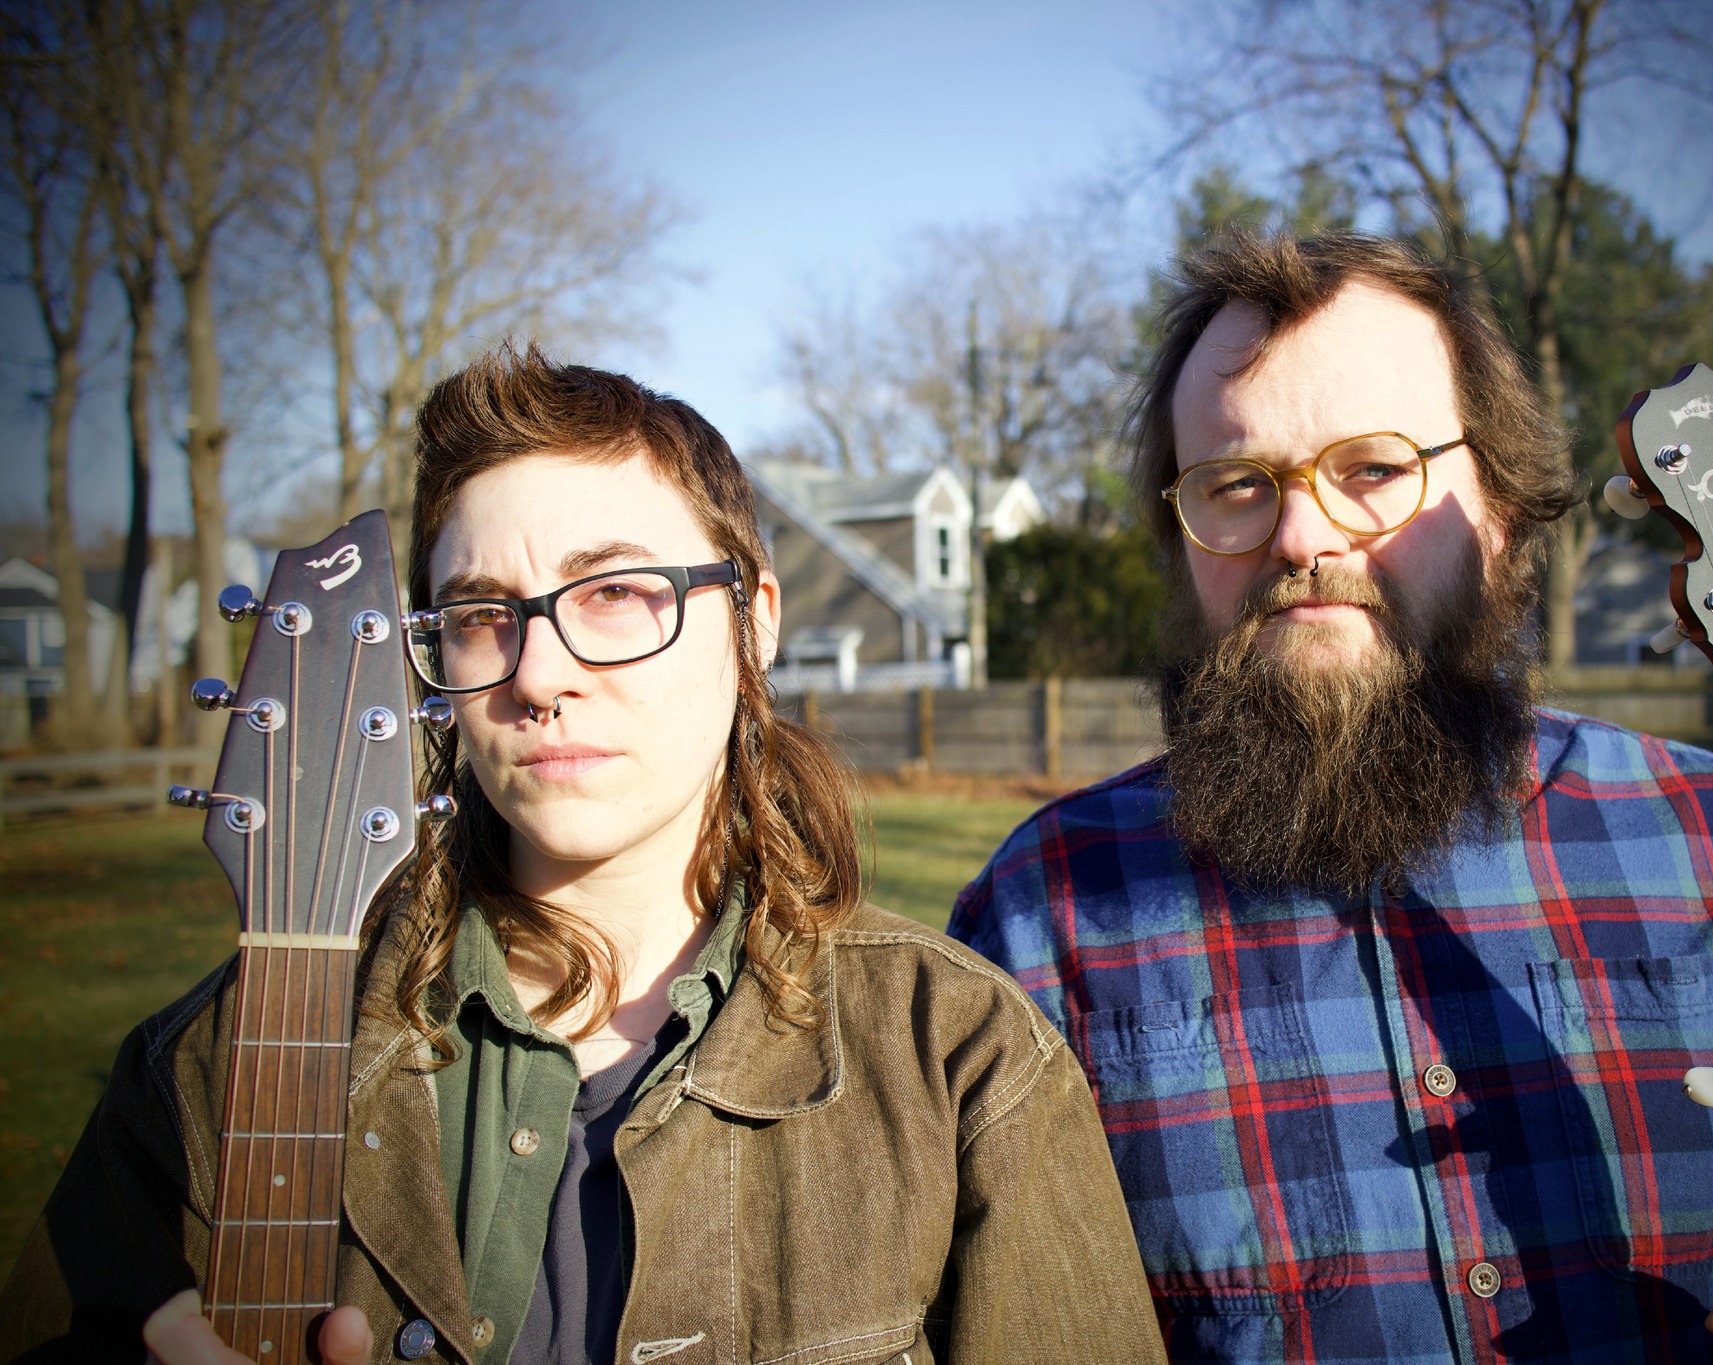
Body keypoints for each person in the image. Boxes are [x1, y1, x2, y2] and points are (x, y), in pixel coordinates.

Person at [947, 231, 1713, 1364]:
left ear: (1501, 507)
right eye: (1235, 485)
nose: (1300, 534)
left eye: (1371, 468)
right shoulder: (1042, 916)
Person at [2, 346, 1166, 1365]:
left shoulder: (956, 1055)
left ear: (752, 620)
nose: (537, 674)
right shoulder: (215, 1072)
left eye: (614, 593)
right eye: (476, 613)